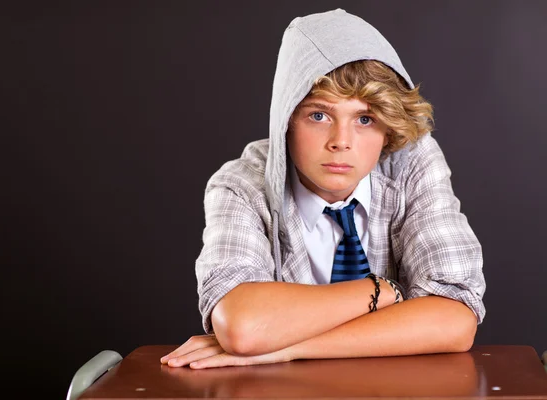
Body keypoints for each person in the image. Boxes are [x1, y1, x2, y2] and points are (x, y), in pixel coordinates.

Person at [161, 8, 486, 369]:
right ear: (285, 120)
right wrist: (384, 291)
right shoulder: (241, 184)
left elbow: (455, 320)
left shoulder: (411, 162)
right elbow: (243, 328)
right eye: (319, 115)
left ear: (389, 127)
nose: (341, 142)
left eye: (365, 119)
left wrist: (286, 347)